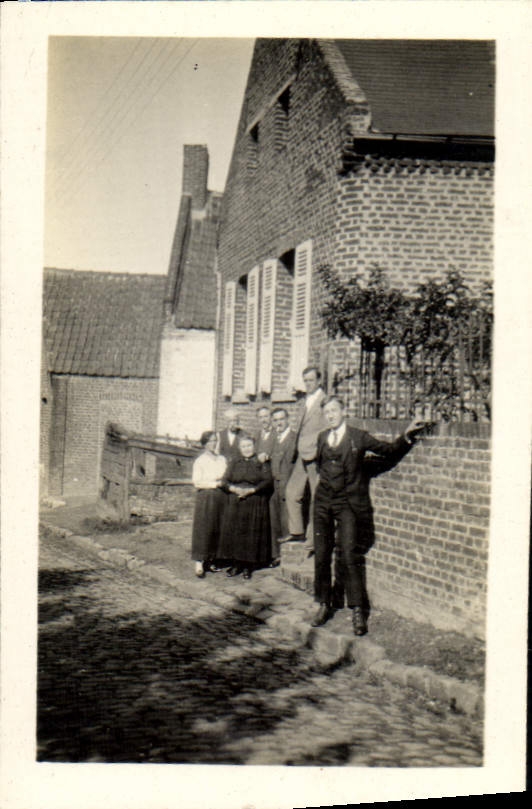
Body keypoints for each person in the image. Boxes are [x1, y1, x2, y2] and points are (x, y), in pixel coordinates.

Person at [311, 395, 426, 636]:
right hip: (322, 502)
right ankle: (323, 604)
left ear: (343, 411)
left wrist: (407, 435)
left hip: (347, 503)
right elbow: (320, 466)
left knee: (349, 554)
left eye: (334, 410)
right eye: (327, 412)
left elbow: (388, 451)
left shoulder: (358, 437)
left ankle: (358, 610)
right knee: (321, 554)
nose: (330, 415)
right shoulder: (322, 438)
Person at [218, 434, 273, 579]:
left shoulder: (261, 461)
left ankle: (248, 566)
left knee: (250, 534)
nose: (246, 449)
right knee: (236, 532)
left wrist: (252, 490)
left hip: (254, 500)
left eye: (249, 445)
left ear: (254, 446)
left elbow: (268, 481)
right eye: (243, 446)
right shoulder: (234, 462)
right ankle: (236, 564)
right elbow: (224, 481)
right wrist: (234, 489)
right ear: (239, 448)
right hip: (236, 500)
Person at [284, 366, 326, 550]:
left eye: (311, 380)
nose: (308, 384)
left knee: (317, 495)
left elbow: (326, 429)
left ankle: (314, 538)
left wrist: (317, 449)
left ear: (319, 381)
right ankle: (297, 532)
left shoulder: (324, 401)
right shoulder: (304, 401)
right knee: (292, 492)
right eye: (305, 380)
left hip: (315, 454)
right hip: (302, 452)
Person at [190, 431, 227, 578]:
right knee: (203, 528)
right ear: (204, 444)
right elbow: (197, 482)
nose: (213, 443)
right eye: (210, 441)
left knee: (217, 527)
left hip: (221, 496)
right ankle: (199, 562)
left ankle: (212, 559)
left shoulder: (222, 459)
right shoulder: (200, 461)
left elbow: (226, 476)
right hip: (206, 496)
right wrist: (214, 484)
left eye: (215, 440)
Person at [268, 407, 297, 567]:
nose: (279, 423)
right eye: (275, 420)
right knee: (275, 520)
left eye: (281, 419)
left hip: (289, 484)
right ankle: (276, 555)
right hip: (274, 485)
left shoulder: (294, 438)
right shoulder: (273, 439)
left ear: (287, 420)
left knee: (287, 520)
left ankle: (288, 556)